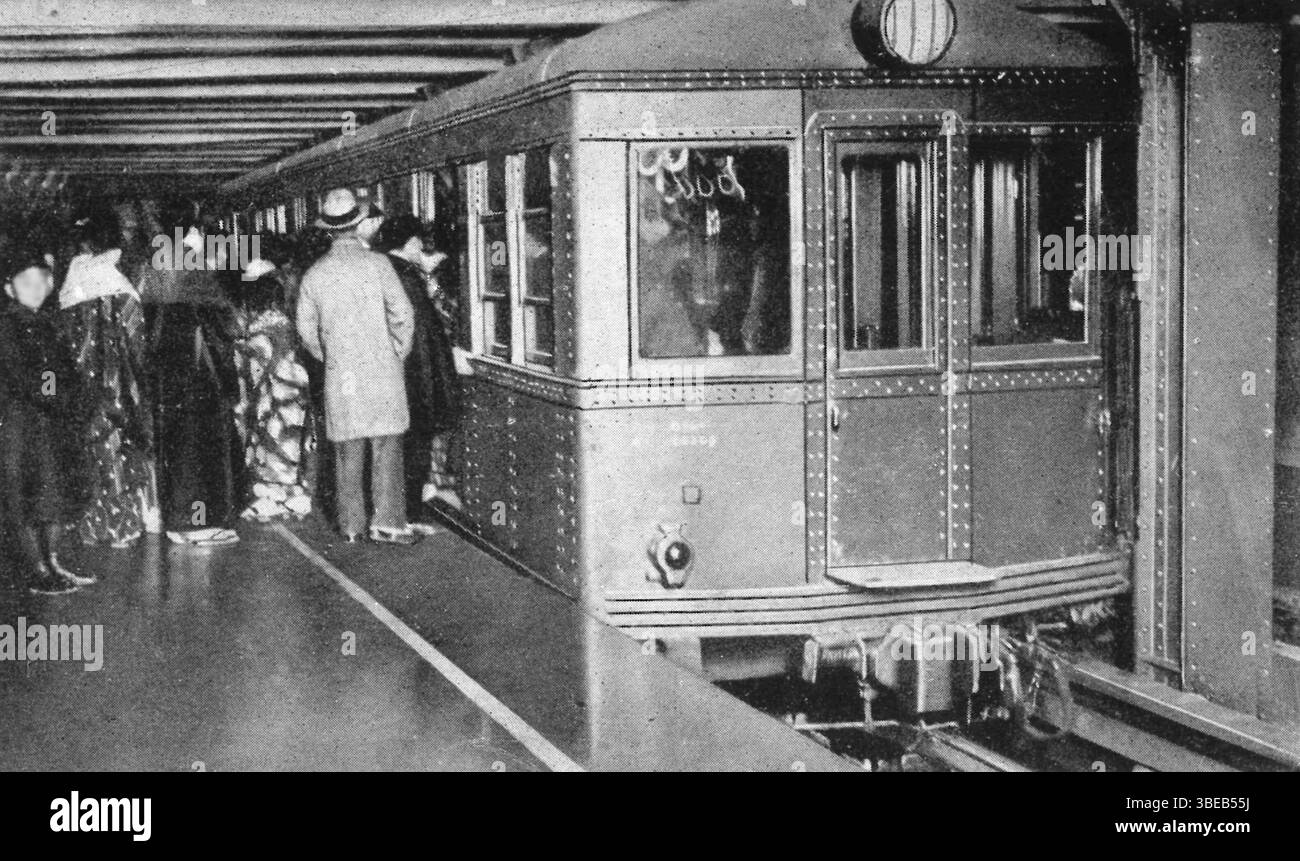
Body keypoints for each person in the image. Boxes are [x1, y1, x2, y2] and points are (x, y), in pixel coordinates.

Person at [296, 189, 418, 545]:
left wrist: (330, 357)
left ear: (328, 230)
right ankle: (389, 522)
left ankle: (351, 526)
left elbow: (306, 330)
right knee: (387, 446)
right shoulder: (380, 265)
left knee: (348, 449)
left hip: (342, 375)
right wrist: (396, 354)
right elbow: (403, 315)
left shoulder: (314, 274)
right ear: (358, 223)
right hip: (383, 371)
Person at [137, 216, 242, 547]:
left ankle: (185, 520)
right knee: (199, 452)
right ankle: (194, 523)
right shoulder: (192, 271)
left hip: (169, 375)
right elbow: (225, 322)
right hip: (200, 374)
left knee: (179, 448)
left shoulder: (156, 268)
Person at [60, 211, 159, 548]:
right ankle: (123, 524)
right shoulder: (119, 282)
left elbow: (66, 339)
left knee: (89, 450)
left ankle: (91, 522)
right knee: (121, 449)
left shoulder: (73, 276)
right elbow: (137, 337)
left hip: (83, 386)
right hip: (119, 386)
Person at [0, 250, 96, 594]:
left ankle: (52, 562)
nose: (35, 288)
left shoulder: (47, 322)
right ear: (10, 289)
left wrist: (75, 396)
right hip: (21, 424)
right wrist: (58, 396)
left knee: (51, 494)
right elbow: (30, 376)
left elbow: (64, 372)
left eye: (41, 281)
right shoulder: (9, 325)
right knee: (23, 497)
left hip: (50, 422)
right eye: (26, 282)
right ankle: (37, 569)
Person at [372, 215, 463, 530]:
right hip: (414, 377)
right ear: (409, 242)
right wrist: (434, 385)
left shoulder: (380, 270)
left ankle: (398, 511)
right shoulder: (406, 276)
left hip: (389, 375)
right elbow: (421, 335)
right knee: (415, 447)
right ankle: (408, 514)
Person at [231, 254, 314, 522]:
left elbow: (248, 376)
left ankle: (272, 498)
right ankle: (295, 496)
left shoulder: (257, 334)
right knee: (292, 450)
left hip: (271, 405)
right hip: (296, 400)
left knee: (271, 451)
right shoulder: (288, 325)